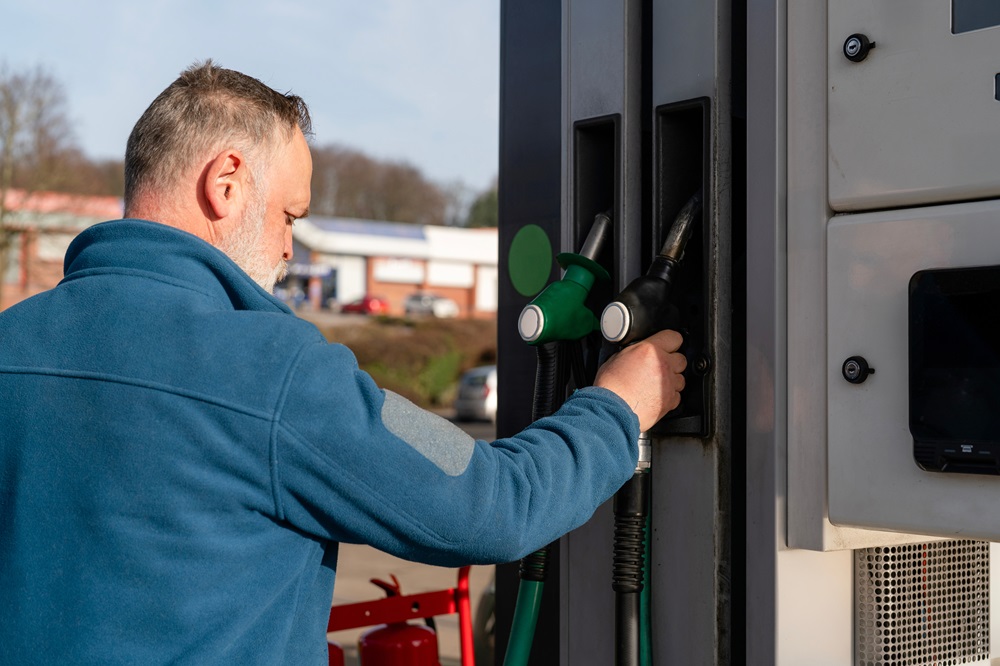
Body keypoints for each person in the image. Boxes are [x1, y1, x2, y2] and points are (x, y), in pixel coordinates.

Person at [0, 61, 687, 664]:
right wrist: (617, 408)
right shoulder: (276, 370)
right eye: (291, 216)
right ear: (227, 183)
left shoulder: (12, 344)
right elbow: (486, 498)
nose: (291, 249)